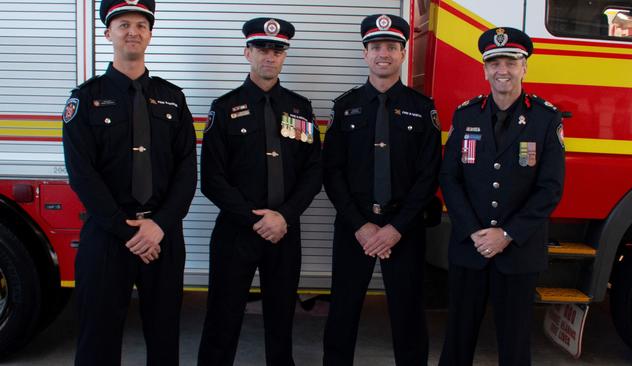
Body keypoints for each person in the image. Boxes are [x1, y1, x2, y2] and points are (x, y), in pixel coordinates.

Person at [62, 0, 197, 365]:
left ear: (150, 35)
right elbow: (82, 175)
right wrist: (130, 232)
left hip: (162, 235)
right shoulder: (84, 99)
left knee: (164, 335)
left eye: (141, 24)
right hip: (107, 236)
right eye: (123, 24)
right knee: (97, 340)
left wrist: (158, 226)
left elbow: (187, 170)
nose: (133, 31)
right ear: (109, 34)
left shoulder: (173, 98)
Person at [197, 17, 322, 366]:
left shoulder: (300, 108)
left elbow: (314, 170)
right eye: (262, 49)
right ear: (247, 53)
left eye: (277, 50)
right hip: (237, 231)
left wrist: (284, 216)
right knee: (223, 317)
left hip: (284, 230)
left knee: (281, 318)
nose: (270, 57)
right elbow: (212, 178)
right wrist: (255, 219)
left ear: (284, 56)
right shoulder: (224, 108)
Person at [438, 27, 565, 366]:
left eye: (511, 62)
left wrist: (506, 234)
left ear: (524, 67)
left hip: (518, 250)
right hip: (470, 246)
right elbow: (449, 177)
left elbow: (550, 188)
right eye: (494, 63)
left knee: (514, 344)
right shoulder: (466, 116)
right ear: (484, 69)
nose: (502, 70)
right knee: (457, 340)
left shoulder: (545, 118)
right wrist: (474, 231)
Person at [322, 14, 441, 366]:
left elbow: (428, 175)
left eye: (392, 46)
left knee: (408, 314)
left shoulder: (423, 109)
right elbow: (332, 172)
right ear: (365, 54)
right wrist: (361, 225)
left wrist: (395, 228)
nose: (383, 54)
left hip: (404, 228)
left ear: (403, 53)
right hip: (354, 227)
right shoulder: (345, 107)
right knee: (342, 310)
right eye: (376, 46)